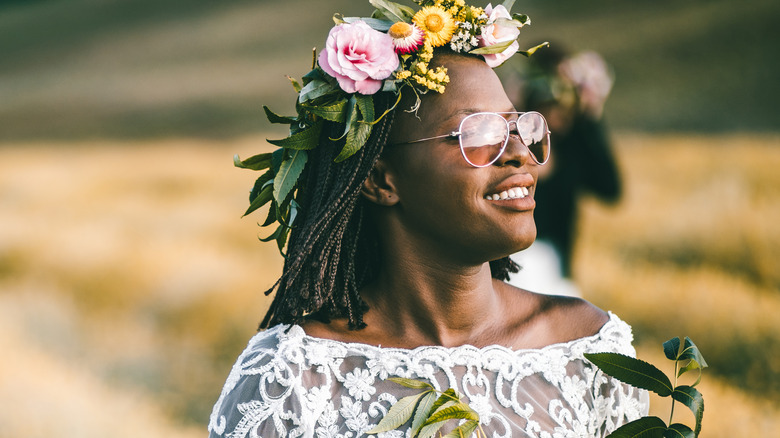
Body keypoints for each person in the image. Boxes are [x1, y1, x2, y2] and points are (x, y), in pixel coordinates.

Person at [208, 2, 647, 437]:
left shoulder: (587, 351)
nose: (519, 153)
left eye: (520, 126)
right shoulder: (294, 380)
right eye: (478, 133)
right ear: (381, 179)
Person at [504, 45, 622, 297]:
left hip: (559, 278)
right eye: (551, 99)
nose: (560, 109)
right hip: (513, 275)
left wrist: (591, 116)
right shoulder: (510, 148)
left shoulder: (573, 146)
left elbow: (610, 190)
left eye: (568, 98)